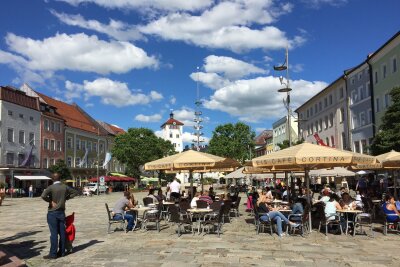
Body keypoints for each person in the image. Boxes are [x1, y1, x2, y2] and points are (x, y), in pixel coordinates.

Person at [41, 173, 78, 259]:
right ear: (60, 178)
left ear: (52, 179)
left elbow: (43, 195)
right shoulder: (65, 186)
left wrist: (50, 201)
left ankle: (53, 254)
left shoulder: (50, 187)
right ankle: (62, 252)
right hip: (61, 212)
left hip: (52, 212)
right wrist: (66, 198)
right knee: (62, 233)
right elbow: (75, 192)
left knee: (54, 234)